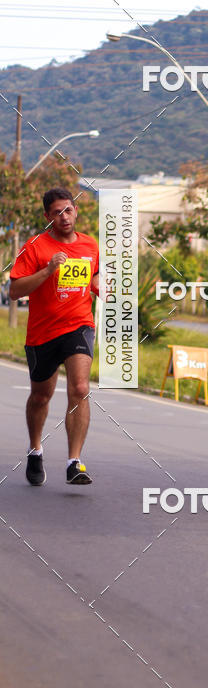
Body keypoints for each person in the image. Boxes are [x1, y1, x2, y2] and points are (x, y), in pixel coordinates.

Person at [9, 188, 99, 486]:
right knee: (41, 396)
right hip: (43, 332)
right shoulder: (34, 247)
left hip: (79, 325)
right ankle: (35, 449)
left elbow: (94, 274)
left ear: (76, 211)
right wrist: (48, 270)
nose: (64, 217)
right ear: (48, 217)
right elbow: (15, 291)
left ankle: (74, 462)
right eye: (57, 212)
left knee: (80, 387)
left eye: (68, 210)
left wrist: (102, 286)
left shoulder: (89, 244)